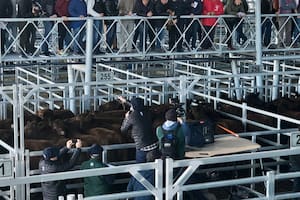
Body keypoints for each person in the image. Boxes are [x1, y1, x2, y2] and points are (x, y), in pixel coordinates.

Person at [119, 96, 159, 163]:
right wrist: (125, 101)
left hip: (142, 146)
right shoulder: (148, 112)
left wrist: (126, 118)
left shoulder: (131, 116)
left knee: (141, 167)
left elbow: (123, 129)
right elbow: (137, 106)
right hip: (154, 144)